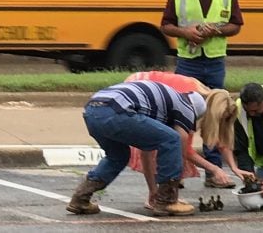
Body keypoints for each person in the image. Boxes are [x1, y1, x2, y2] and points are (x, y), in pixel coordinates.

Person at [66, 80, 206, 216]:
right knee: (172, 139)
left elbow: (146, 152)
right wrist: (172, 190)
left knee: (118, 156)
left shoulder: (161, 105)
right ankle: (167, 201)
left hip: (92, 111)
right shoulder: (186, 107)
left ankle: (80, 199)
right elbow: (179, 143)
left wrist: (153, 191)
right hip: (116, 111)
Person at [126, 71, 253, 209]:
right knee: (155, 147)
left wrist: (234, 168)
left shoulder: (209, 97)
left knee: (164, 145)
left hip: (144, 89)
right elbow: (185, 151)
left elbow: (221, 137)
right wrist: (214, 169)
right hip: (138, 91)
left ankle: (159, 195)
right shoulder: (190, 104)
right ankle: (155, 196)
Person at [160, 0, 244, 188]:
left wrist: (215, 30)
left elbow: (236, 25)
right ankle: (176, 171)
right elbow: (165, 25)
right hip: (188, 62)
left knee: (215, 116)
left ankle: (213, 171)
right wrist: (185, 32)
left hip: (215, 61)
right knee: (182, 115)